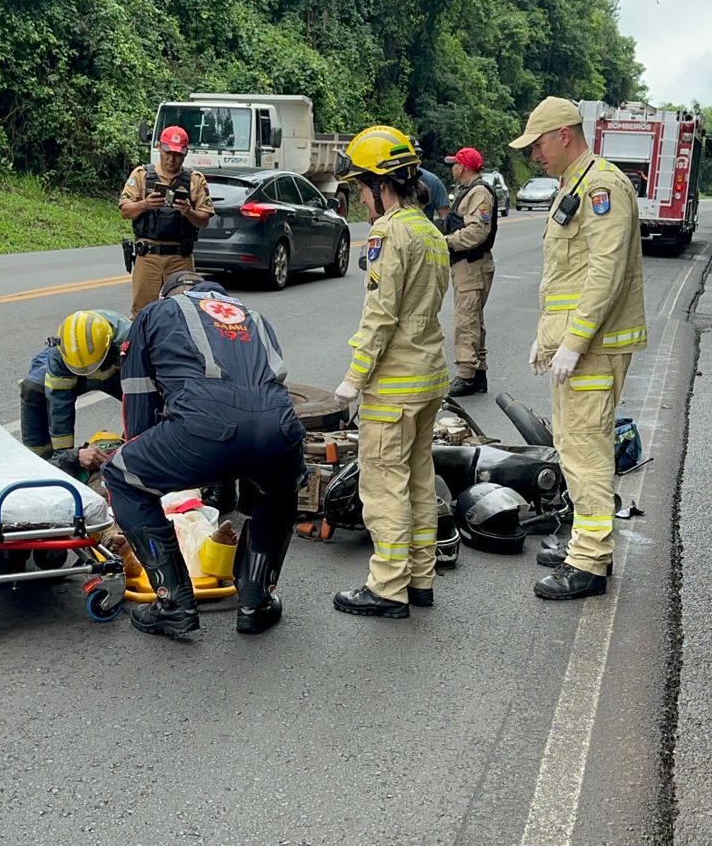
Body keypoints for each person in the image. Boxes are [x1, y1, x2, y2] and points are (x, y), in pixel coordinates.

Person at [102, 271, 304, 637]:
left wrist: (148, 458)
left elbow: (139, 398)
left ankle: (173, 602)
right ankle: (256, 601)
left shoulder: (156, 313)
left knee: (122, 476)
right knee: (279, 489)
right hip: (280, 428)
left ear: (170, 293)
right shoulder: (254, 316)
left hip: (203, 430)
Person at [509, 97, 647, 600]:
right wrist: (548, 339)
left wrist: (573, 341)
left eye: (539, 144)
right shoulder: (575, 185)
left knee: (585, 451)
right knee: (572, 445)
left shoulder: (602, 185)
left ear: (565, 134)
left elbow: (604, 273)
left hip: (593, 346)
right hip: (576, 345)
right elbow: (566, 277)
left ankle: (588, 563)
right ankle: (590, 545)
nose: (535, 156)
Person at [329, 125, 452, 619]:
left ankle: (387, 587)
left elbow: (380, 316)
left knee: (383, 484)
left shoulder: (389, 232)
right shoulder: (429, 229)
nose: (360, 199)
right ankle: (420, 579)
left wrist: (353, 379)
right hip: (429, 378)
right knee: (420, 480)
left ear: (381, 185)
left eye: (361, 187)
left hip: (395, 385)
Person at [19, 308, 130, 473]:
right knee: (32, 388)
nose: (89, 372)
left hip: (114, 364)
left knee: (152, 406)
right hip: (71, 363)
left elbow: (142, 398)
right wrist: (67, 459)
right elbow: (59, 406)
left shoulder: (128, 343)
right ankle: (40, 465)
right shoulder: (60, 354)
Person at [119, 126, 214, 315]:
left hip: (180, 258)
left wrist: (188, 212)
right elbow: (125, 210)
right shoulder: (142, 175)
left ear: (185, 153)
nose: (171, 159)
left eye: (178, 154)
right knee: (142, 314)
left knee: (184, 313)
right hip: (148, 256)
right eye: (167, 152)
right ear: (159, 148)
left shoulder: (195, 180)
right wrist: (145, 204)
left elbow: (204, 220)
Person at [441, 146, 499, 397]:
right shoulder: (469, 192)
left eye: (454, 163)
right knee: (474, 321)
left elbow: (477, 232)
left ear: (463, 167)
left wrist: (446, 241)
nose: (452, 167)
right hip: (468, 264)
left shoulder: (478, 194)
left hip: (472, 263)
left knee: (466, 321)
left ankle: (466, 375)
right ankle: (478, 375)